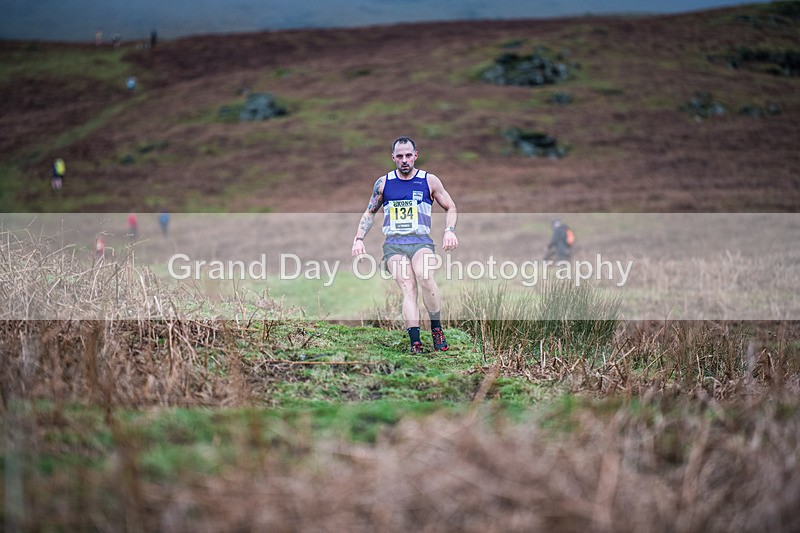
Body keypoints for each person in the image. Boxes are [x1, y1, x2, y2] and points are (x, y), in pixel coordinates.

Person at [351, 136, 458, 354]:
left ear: (416, 155)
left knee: (425, 277)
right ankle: (415, 342)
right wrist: (358, 239)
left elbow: (451, 207)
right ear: (393, 158)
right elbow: (369, 212)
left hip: (421, 242)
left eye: (408, 155)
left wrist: (449, 231)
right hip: (394, 245)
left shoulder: (430, 181)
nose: (404, 160)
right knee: (408, 287)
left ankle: (437, 329)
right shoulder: (383, 183)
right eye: (399, 156)